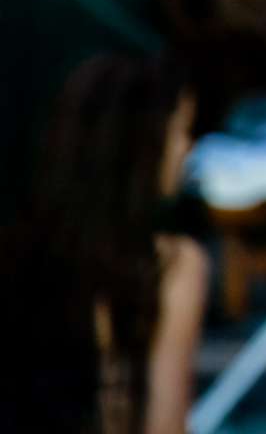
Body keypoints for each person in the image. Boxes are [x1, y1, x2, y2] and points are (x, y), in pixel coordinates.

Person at [3, 52, 209, 434]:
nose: (187, 149)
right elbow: (164, 424)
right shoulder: (172, 266)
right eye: (182, 130)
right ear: (144, 143)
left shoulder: (19, 251)